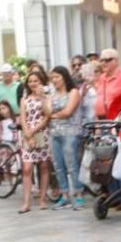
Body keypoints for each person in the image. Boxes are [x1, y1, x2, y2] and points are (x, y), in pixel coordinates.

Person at [48, 65, 85, 210]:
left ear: (64, 77)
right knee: (58, 166)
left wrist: (53, 115)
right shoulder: (52, 94)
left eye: (57, 77)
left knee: (72, 165)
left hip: (70, 132)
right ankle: (64, 195)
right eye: (52, 78)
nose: (54, 80)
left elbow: (68, 112)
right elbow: (47, 111)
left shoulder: (74, 92)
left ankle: (79, 195)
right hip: (54, 133)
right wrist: (50, 108)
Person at [18, 68, 52, 213]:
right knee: (27, 168)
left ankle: (43, 198)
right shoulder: (24, 99)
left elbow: (47, 116)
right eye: (30, 81)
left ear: (41, 82)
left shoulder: (47, 97)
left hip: (42, 133)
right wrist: (27, 133)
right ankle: (26, 203)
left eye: (36, 81)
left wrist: (42, 97)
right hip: (28, 134)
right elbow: (23, 118)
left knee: (44, 166)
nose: (33, 83)